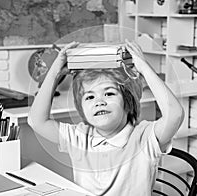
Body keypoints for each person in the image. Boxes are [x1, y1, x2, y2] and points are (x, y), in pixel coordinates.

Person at [28, 40, 184, 196]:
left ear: (127, 101)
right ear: (81, 107)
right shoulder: (79, 137)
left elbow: (175, 114)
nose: (99, 102)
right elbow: (36, 121)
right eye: (89, 97)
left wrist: (143, 68)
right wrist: (55, 71)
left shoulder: (144, 138)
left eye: (109, 93)